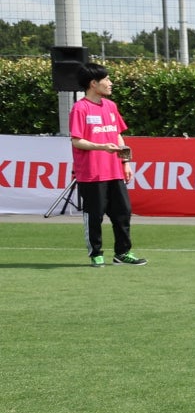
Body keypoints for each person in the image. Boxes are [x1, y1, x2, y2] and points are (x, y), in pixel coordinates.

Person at [67, 62, 145, 267]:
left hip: (115, 171)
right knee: (95, 215)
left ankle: (123, 253)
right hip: (92, 173)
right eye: (107, 80)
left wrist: (125, 162)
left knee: (123, 213)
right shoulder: (80, 108)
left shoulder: (111, 107)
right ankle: (95, 253)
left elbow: (117, 134)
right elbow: (76, 141)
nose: (111, 83)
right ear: (93, 83)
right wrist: (102, 147)